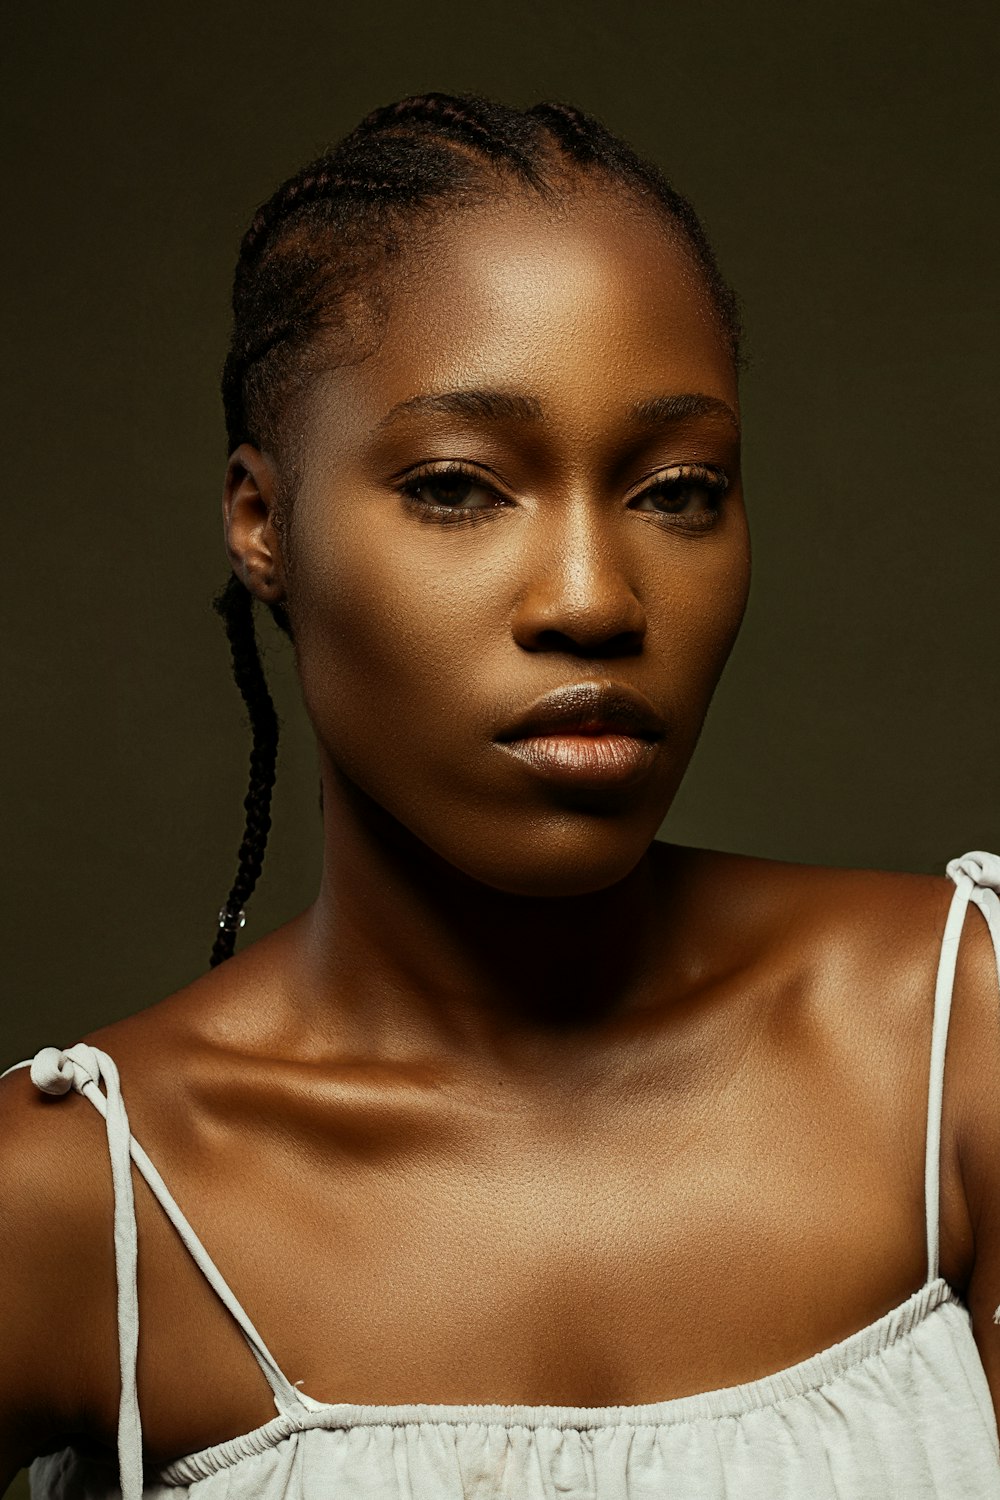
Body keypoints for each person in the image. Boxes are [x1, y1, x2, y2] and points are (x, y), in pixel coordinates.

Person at [1, 91, 998, 1500]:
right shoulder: (71, 1206)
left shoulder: (959, 1038)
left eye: (678, 489)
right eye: (462, 487)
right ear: (263, 521)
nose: (594, 600)